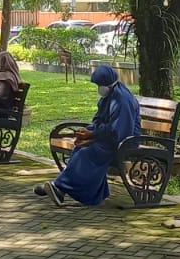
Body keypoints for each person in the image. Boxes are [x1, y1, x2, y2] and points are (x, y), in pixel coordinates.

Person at [38, 64, 140, 206]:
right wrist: (87, 134)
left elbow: (119, 132)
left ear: (108, 83)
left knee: (86, 153)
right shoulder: (108, 96)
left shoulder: (122, 99)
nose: (99, 88)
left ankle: (59, 187)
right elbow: (98, 120)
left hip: (125, 142)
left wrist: (92, 136)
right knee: (79, 149)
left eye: (100, 84)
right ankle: (86, 193)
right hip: (110, 139)